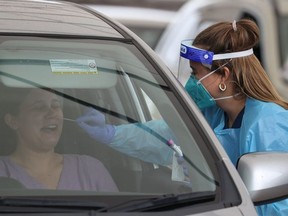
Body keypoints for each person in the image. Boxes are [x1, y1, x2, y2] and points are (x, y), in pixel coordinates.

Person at [76, 19, 288, 215]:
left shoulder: (268, 123)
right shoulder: (214, 114)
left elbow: (275, 206)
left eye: (196, 73)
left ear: (224, 75)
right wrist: (112, 134)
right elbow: (165, 136)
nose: (191, 81)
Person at [0, 87, 118, 192]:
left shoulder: (90, 169)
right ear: (12, 121)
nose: (52, 113)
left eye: (56, 106)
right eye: (39, 107)